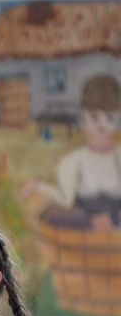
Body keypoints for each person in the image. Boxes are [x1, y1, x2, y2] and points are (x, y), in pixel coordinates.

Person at [24, 74, 121, 230]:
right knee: (51, 218)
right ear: (84, 115)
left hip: (117, 217)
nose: (102, 124)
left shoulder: (118, 155)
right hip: (85, 219)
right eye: (94, 117)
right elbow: (66, 200)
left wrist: (113, 218)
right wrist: (39, 185)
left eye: (110, 118)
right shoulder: (75, 160)